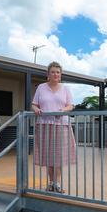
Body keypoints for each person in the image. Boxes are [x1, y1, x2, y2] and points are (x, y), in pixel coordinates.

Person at [31, 61, 76, 193]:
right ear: (48, 74)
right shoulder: (41, 87)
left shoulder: (65, 88)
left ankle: (57, 183)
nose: (55, 74)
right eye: (53, 72)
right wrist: (35, 109)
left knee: (59, 157)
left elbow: (71, 105)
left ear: (60, 75)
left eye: (58, 72)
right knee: (48, 157)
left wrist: (63, 110)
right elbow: (34, 104)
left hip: (61, 125)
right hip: (44, 125)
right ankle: (51, 183)